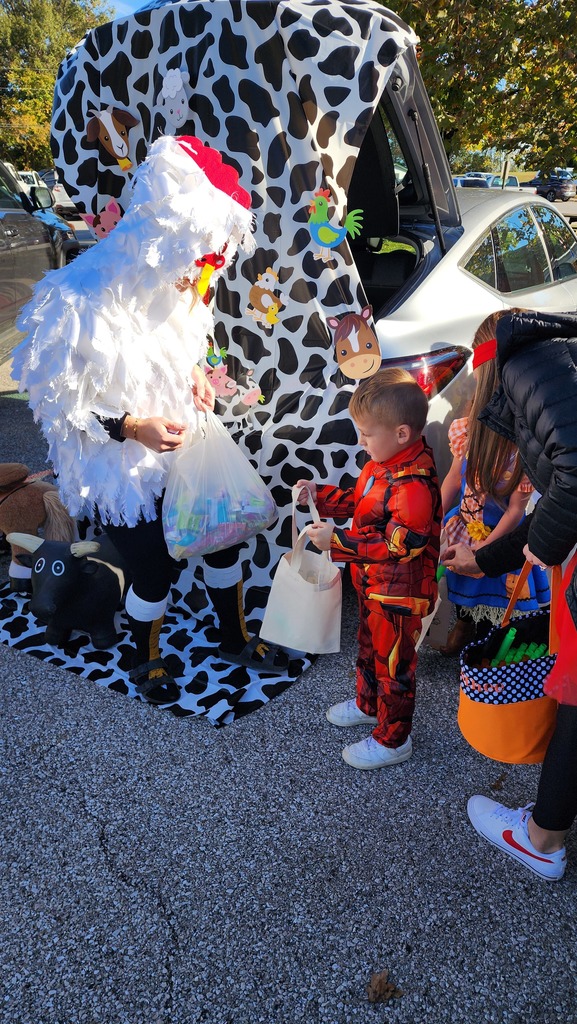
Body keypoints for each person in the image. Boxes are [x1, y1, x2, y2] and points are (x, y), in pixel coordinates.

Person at [11, 134, 286, 706]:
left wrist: (196, 377)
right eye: (199, 252)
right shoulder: (77, 297)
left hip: (179, 445)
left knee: (221, 539)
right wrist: (133, 427)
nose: (202, 270)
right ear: (167, 234)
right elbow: (59, 408)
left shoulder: (175, 284)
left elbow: (180, 350)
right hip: (118, 465)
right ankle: (143, 655)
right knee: (153, 568)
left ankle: (233, 638)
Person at [443, 309, 577, 881]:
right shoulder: (557, 361)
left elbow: (571, 480)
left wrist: (540, 551)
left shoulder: (523, 366)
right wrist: (486, 558)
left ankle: (542, 839)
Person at [296, 367, 441, 769]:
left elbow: (402, 547)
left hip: (399, 596)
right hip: (374, 585)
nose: (360, 441)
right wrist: (320, 496)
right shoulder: (383, 464)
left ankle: (394, 740)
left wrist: (337, 542)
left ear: (401, 433)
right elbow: (362, 504)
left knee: (394, 665)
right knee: (368, 648)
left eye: (366, 434)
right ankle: (368, 703)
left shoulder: (413, 485)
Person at [439, 310, 550, 656]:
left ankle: (487, 647)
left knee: (496, 601)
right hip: (465, 524)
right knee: (462, 585)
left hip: (500, 535)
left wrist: (485, 551)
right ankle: (463, 625)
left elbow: (516, 511)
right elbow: (454, 478)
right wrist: (432, 518)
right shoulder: (466, 430)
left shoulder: (524, 446)